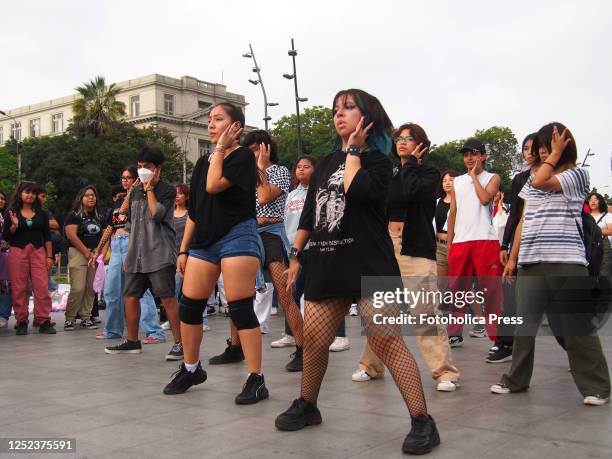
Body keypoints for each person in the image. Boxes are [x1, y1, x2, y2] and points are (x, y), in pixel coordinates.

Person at [275, 89, 439, 455]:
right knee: (315, 340)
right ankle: (308, 405)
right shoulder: (324, 162)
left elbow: (357, 189)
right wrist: (297, 255)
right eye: (336, 109)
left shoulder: (381, 163)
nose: (339, 115)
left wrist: (353, 152)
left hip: (369, 263)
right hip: (325, 261)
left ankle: (423, 420)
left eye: (348, 108)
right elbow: (309, 215)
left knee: (386, 340)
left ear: (368, 118)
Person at [491, 123, 610, 406]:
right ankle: (516, 380)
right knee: (524, 326)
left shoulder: (577, 174)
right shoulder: (533, 178)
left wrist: (553, 157)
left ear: (564, 145)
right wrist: (513, 256)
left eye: (548, 146)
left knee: (577, 326)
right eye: (541, 147)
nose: (542, 152)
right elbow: (523, 219)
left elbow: (544, 182)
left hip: (566, 260)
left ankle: (597, 387)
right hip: (531, 260)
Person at [163, 102, 267, 405]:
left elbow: (213, 186)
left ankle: (256, 378)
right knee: (189, 305)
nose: (210, 124)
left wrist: (220, 149)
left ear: (236, 127)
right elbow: (196, 209)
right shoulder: (203, 162)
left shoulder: (244, 157)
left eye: (218, 119)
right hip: (204, 241)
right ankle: (191, 368)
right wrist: (184, 249)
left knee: (240, 307)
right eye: (209, 119)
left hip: (238, 234)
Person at [352, 123, 460, 392]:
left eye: (409, 139)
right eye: (398, 139)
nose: (401, 142)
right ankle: (371, 365)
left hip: (415, 247)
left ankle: (444, 372)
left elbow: (414, 192)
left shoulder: (429, 173)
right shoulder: (389, 172)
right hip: (385, 244)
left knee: (424, 311)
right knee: (380, 310)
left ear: (421, 143)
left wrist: (412, 163)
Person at [103, 147, 182, 359]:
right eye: (139, 167)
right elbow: (118, 219)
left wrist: (149, 189)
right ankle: (132, 341)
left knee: (167, 297)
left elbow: (157, 214)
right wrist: (130, 193)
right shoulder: (134, 190)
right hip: (135, 254)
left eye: (146, 167)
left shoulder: (166, 190)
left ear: (158, 169)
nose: (142, 171)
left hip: (159, 252)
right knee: (129, 296)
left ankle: (180, 343)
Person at [271, 155, 350, 352]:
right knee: (291, 294)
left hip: (316, 249)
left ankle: (339, 336)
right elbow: (286, 222)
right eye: (298, 166)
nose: (301, 170)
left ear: (316, 170)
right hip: (294, 251)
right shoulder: (291, 195)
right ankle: (291, 333)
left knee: (327, 292)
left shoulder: (320, 192)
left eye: (307, 167)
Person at [94, 170, 166, 345]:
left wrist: (136, 188)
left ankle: (154, 331)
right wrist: (98, 250)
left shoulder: (141, 197)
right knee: (111, 291)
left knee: (139, 289)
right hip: (116, 245)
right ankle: (112, 329)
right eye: (123, 178)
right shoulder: (120, 201)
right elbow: (111, 226)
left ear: (137, 179)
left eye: (129, 178)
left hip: (132, 242)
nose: (125, 181)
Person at [446, 138, 503, 354]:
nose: (469, 158)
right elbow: (453, 213)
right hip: (461, 241)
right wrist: (451, 244)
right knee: (457, 290)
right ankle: (454, 333)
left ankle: (498, 339)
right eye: (466, 154)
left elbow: (485, 199)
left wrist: (473, 177)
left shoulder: (493, 178)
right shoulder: (457, 182)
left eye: (474, 153)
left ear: (483, 156)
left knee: (490, 291)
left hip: (485, 240)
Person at [492, 133, 537, 363]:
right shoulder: (521, 179)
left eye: (534, 148)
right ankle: (505, 342)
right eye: (525, 148)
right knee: (510, 294)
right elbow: (515, 216)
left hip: (547, 248)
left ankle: (572, 346)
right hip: (521, 245)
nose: (529, 153)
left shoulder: (559, 177)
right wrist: (505, 244)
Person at [3, 182, 55, 335]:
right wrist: (14, 226)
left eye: (33, 193)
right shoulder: (11, 212)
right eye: (27, 192)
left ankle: (43, 320)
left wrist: (50, 256)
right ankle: (21, 321)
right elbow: (6, 236)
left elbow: (47, 236)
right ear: (20, 193)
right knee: (20, 288)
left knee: (42, 287)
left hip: (38, 252)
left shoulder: (42, 214)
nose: (30, 195)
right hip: (18, 252)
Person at [63, 186, 102, 330]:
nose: (91, 198)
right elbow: (71, 235)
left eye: (93, 195)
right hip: (79, 253)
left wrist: (99, 253)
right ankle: (70, 318)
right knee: (78, 287)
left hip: (95, 254)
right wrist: (86, 252)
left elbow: (104, 235)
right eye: (87, 195)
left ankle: (86, 317)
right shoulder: (74, 215)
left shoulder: (99, 216)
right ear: (81, 198)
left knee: (91, 288)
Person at [588, 192, 612, 275]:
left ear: (600, 201)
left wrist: (594, 231)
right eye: (591, 200)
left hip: (603, 246)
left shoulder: (607, 216)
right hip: (587, 246)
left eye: (595, 199)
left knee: (603, 271)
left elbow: (610, 231)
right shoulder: (586, 216)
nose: (593, 201)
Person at [0, 191, 11, 328]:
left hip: (4, 256)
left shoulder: (7, 216)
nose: (1, 201)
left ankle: (3, 315)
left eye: (3, 198)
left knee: (5, 286)